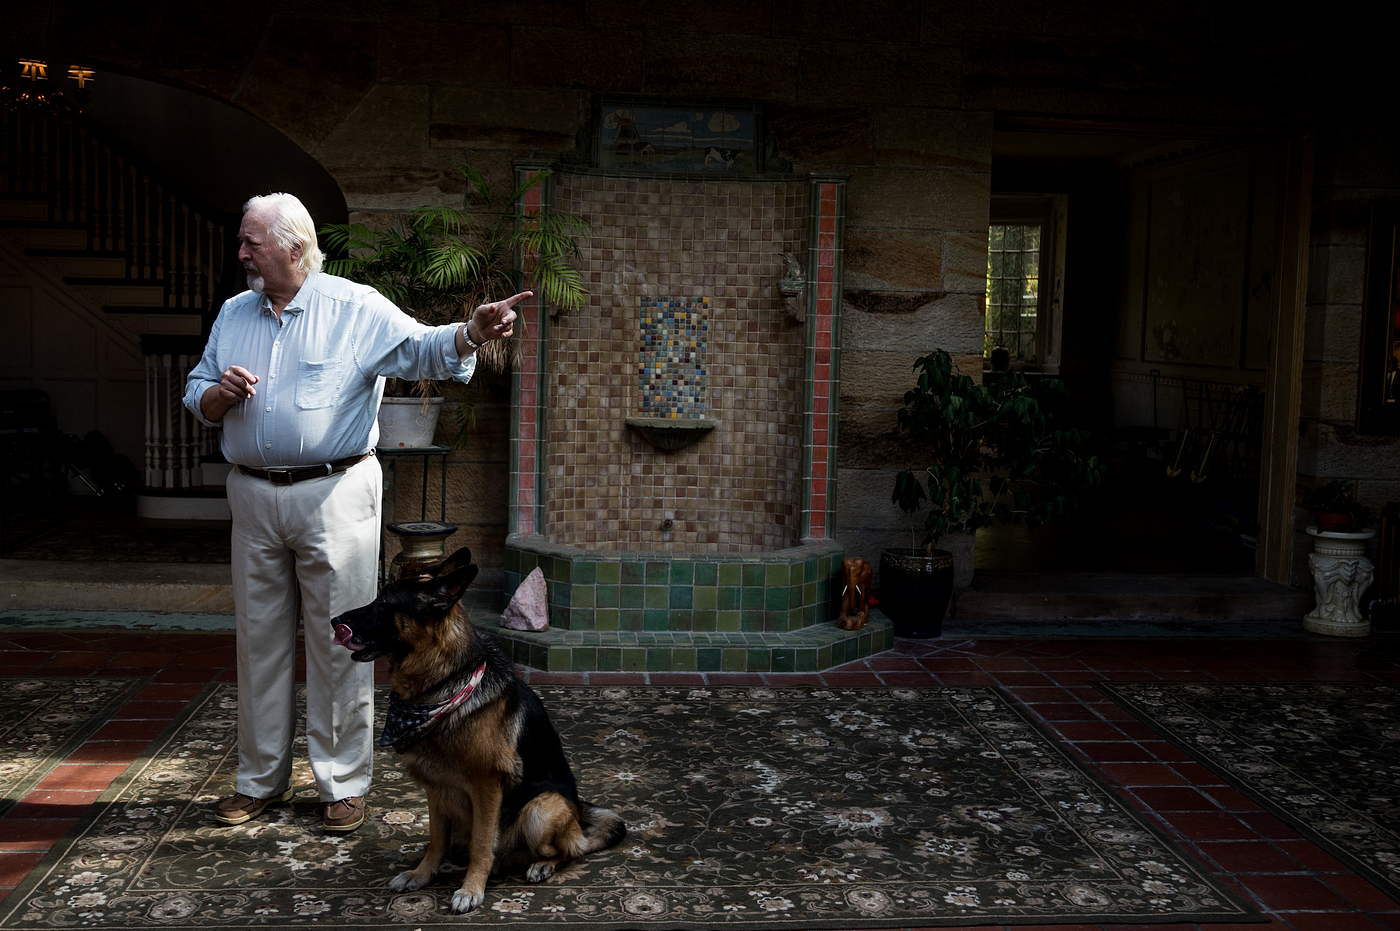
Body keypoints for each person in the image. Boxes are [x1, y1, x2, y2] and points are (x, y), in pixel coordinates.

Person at [183, 192, 525, 834]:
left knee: (341, 638)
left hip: (333, 493)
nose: (241, 253)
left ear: (293, 246)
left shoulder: (354, 307)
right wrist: (216, 397)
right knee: (257, 641)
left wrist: (472, 332)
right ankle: (259, 781)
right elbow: (196, 388)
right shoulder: (234, 313)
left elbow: (424, 349)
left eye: (250, 241)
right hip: (252, 493)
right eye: (242, 241)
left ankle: (341, 784)